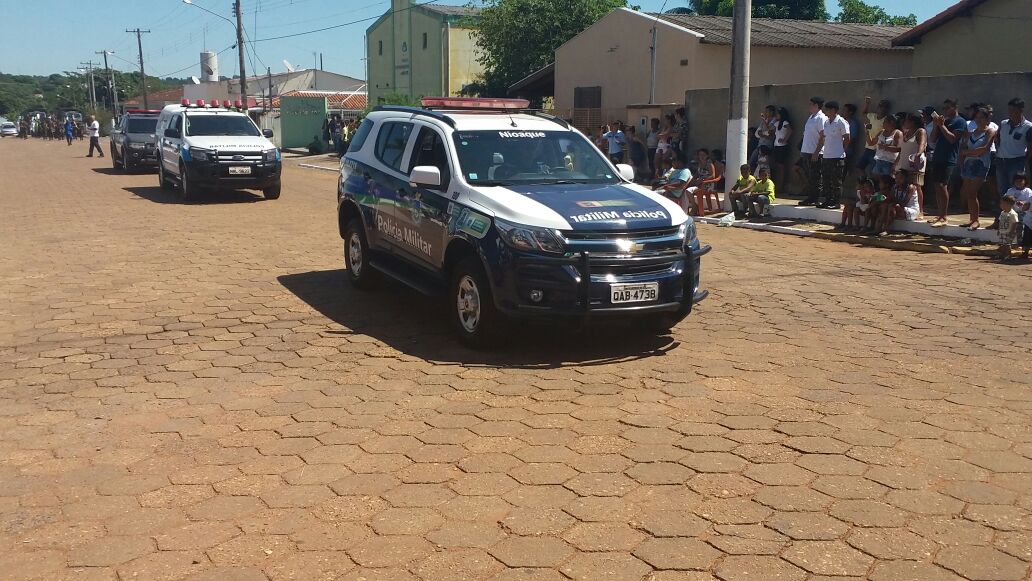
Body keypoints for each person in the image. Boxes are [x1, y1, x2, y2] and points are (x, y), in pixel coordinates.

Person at [927, 100, 967, 227]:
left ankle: (944, 216)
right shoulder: (944, 121)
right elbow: (933, 139)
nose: (945, 110)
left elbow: (952, 139)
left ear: (955, 107)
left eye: (947, 108)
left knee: (942, 185)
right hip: (937, 156)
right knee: (936, 185)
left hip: (949, 158)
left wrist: (942, 126)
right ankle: (939, 214)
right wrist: (936, 125)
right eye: (944, 108)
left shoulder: (960, 121)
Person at [958, 107, 997, 231]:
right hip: (968, 164)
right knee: (969, 193)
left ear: (987, 118)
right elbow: (962, 149)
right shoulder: (971, 132)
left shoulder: (990, 131)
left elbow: (983, 149)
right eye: (977, 117)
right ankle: (972, 219)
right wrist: (965, 157)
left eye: (982, 117)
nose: (979, 120)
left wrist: (967, 153)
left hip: (981, 164)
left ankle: (976, 221)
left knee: (973, 191)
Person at [995, 99, 1032, 218]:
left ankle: (1017, 219)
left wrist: (1024, 160)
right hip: (1001, 160)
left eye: (1013, 110)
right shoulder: (1003, 123)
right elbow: (998, 139)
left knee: (1016, 192)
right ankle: (1001, 218)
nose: (1010, 112)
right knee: (1002, 191)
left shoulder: (1028, 127)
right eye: (1009, 110)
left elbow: (1030, 147)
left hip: (1016, 161)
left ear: (1021, 110)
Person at [817, 100, 850, 209]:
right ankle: (828, 200)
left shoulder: (841, 122)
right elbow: (823, 138)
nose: (827, 111)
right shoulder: (826, 122)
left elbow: (847, 138)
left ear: (834, 110)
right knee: (826, 180)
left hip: (837, 157)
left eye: (828, 109)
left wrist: (842, 150)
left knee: (836, 181)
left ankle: (836, 202)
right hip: (827, 155)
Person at [897, 112, 928, 217]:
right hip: (905, 163)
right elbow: (902, 150)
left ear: (912, 122)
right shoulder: (906, 132)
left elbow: (922, 144)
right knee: (906, 186)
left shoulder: (920, 131)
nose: (904, 122)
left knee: (917, 186)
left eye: (906, 120)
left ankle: (921, 211)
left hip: (915, 163)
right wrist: (896, 163)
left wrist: (918, 155)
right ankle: (908, 208)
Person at [798, 96, 827, 206]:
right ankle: (810, 197)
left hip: (815, 153)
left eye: (811, 104)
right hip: (807, 151)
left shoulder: (821, 118)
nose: (809, 106)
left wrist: (816, 152)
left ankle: (815, 198)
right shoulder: (811, 117)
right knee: (810, 176)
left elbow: (823, 136)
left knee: (815, 177)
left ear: (816, 105)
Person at [876, 170, 920, 235]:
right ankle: (878, 228)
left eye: (900, 178)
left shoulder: (911, 188)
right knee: (884, 205)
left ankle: (887, 229)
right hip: (898, 207)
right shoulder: (895, 187)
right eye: (896, 178)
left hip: (911, 210)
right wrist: (884, 199)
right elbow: (891, 198)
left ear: (905, 179)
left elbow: (904, 203)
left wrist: (891, 200)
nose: (898, 180)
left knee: (893, 206)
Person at [857, 97, 891, 180]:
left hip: (876, 150)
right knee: (859, 167)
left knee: (873, 172)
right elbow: (863, 113)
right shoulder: (873, 116)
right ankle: (865, 183)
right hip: (868, 148)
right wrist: (867, 104)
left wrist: (867, 131)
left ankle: (871, 185)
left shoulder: (886, 120)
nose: (881, 109)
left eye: (884, 107)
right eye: (880, 106)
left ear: (886, 109)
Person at [1004, 173, 1032, 259]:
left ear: (1025, 181)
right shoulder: (1010, 190)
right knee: (1010, 229)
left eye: (1021, 181)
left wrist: (1023, 203)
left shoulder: (1028, 191)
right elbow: (1005, 199)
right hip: (1013, 213)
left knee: (1023, 230)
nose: (1018, 183)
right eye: (1016, 181)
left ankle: (1022, 245)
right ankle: (1010, 246)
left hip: (1025, 214)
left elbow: (1029, 202)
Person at [686, 149, 719, 216]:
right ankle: (694, 206)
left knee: (689, 191)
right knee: (686, 190)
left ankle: (695, 208)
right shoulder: (700, 164)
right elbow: (697, 174)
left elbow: (713, 175)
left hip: (707, 184)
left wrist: (703, 180)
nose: (701, 156)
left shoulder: (709, 163)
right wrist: (691, 180)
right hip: (700, 184)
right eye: (700, 155)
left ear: (707, 155)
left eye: (703, 155)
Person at [772, 107, 793, 192]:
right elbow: (770, 129)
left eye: (778, 113)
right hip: (776, 146)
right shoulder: (777, 123)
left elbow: (790, 130)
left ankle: (781, 186)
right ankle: (777, 185)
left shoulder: (785, 122)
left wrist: (785, 140)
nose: (776, 115)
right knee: (777, 166)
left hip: (782, 147)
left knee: (781, 166)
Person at [996, 194, 1020, 260]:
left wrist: (1012, 232)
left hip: (1009, 232)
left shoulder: (1013, 214)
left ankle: (1008, 255)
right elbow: (1000, 221)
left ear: (1009, 204)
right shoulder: (1002, 213)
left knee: (1007, 245)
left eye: (1002, 203)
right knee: (1003, 244)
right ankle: (1002, 255)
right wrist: (999, 230)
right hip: (1002, 231)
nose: (1001, 205)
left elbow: (1015, 223)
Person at [842, 103, 861, 178]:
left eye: (845, 110)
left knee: (842, 171)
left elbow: (852, 139)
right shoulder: (840, 121)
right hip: (836, 150)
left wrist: (843, 146)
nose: (842, 112)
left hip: (846, 151)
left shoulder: (853, 124)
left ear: (850, 112)